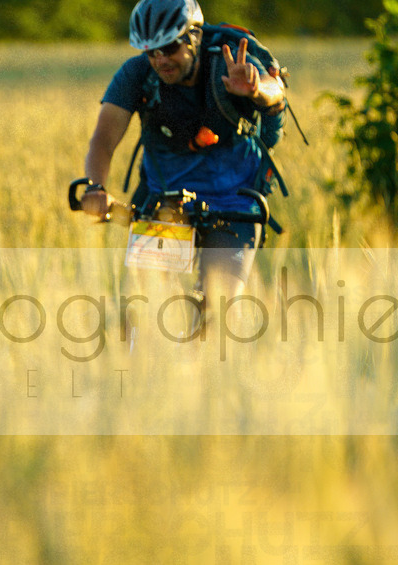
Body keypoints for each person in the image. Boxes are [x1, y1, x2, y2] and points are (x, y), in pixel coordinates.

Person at [79, 0, 286, 336]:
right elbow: (103, 138)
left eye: (170, 47)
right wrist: (95, 188)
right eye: (152, 51)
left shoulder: (231, 59)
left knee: (218, 316)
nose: (161, 59)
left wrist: (255, 89)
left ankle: (205, 382)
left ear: (195, 37)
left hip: (234, 202)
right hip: (166, 202)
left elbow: (276, 92)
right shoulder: (137, 74)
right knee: (141, 313)